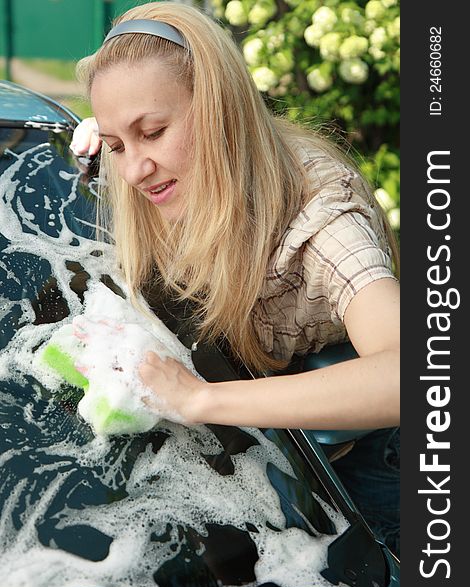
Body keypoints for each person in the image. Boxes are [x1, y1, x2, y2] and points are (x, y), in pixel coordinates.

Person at [72, 2, 400, 555]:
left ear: (221, 108)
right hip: (259, 463)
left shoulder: (321, 218)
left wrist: (202, 401)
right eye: (118, 144)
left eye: (152, 131)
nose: (131, 171)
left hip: (366, 482)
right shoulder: (160, 171)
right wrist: (117, 132)